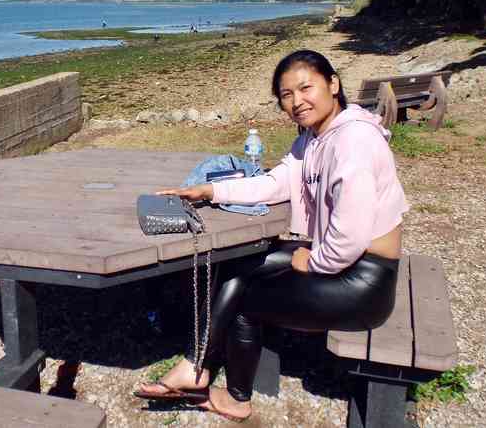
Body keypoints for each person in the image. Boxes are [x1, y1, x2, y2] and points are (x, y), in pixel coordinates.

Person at [134, 49, 409, 422]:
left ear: (333, 84)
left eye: (305, 88)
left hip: (364, 283)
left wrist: (313, 261)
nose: (297, 102)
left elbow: (350, 236)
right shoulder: (315, 138)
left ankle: (229, 393)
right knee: (238, 266)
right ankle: (197, 367)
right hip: (347, 262)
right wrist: (210, 192)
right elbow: (275, 183)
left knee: (245, 298)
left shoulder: (354, 142)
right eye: (286, 95)